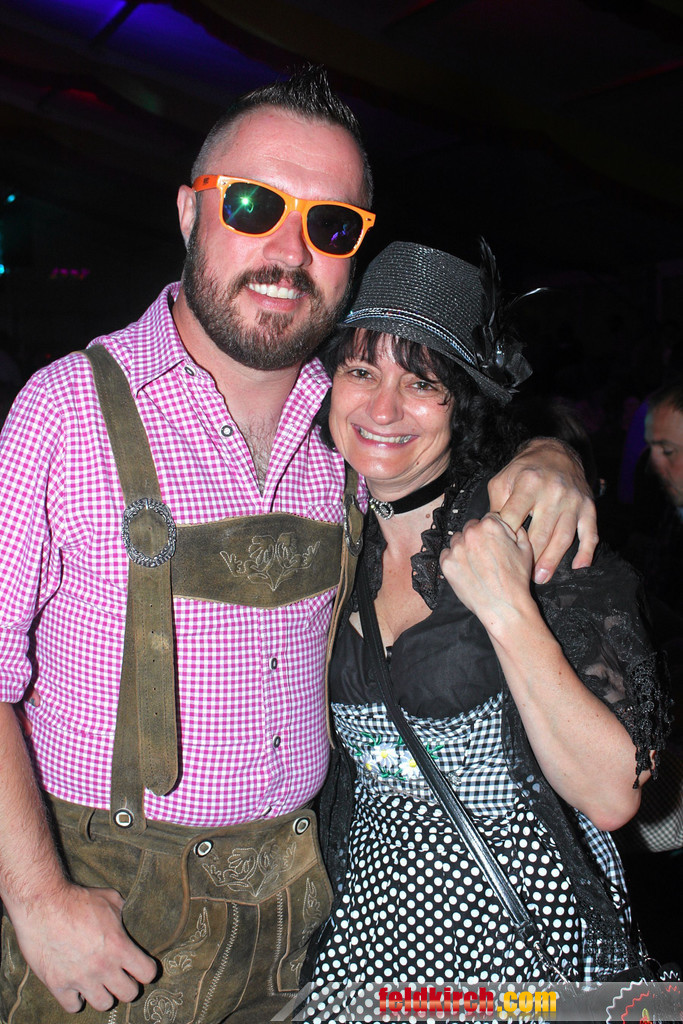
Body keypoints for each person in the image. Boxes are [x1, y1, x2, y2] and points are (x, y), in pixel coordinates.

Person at [0, 67, 599, 1024]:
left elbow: (470, 440)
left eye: (329, 225)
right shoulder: (64, 411)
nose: (289, 251)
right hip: (110, 915)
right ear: (191, 213)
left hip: (308, 908)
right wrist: (37, 899)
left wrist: (550, 455)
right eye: (253, 205)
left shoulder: (354, 425)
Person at [301, 241, 671, 1022]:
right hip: (368, 934)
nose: (382, 409)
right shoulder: (326, 537)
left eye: (421, 383)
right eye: (361, 371)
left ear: (463, 402)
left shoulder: (534, 530)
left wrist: (505, 607)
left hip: (519, 937)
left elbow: (612, 793)